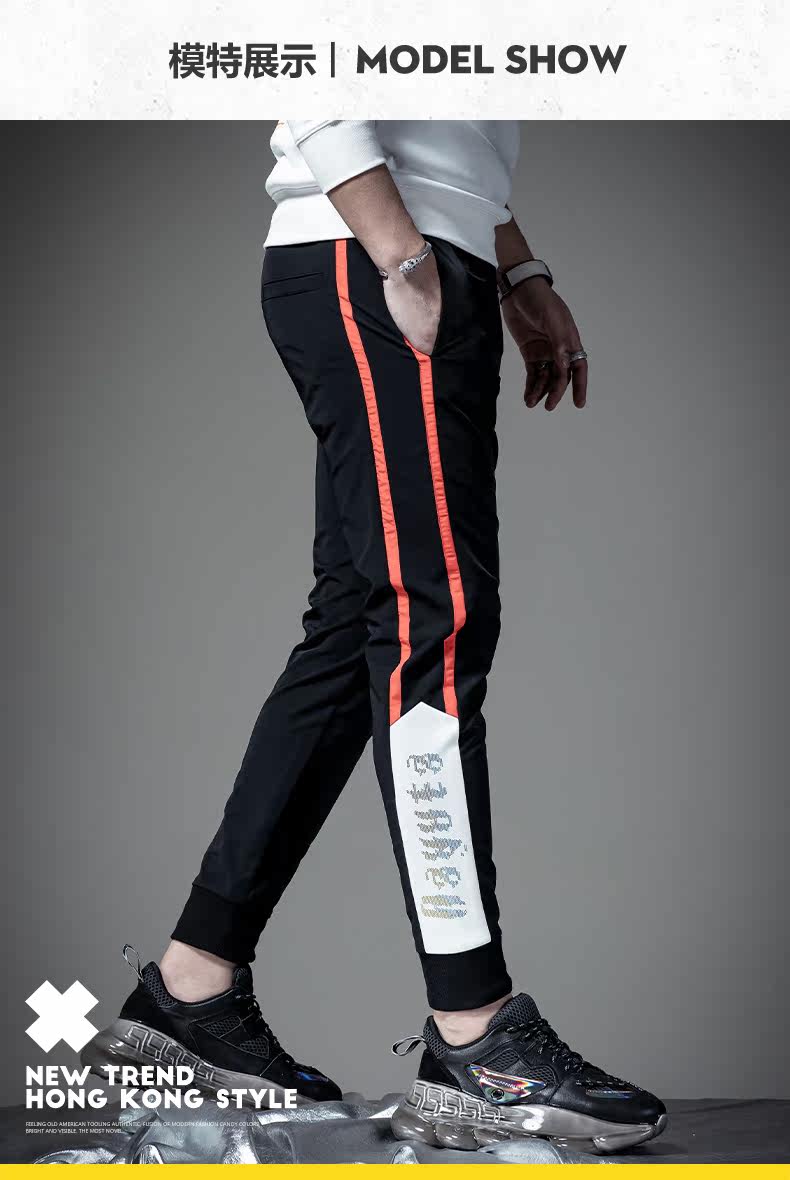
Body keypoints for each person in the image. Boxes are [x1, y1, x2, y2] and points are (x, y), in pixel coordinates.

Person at [83, 120, 666, 1153]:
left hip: (417, 249)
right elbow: (323, 72)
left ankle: (191, 988)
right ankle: (476, 1030)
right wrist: (400, 252)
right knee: (431, 625)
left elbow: (448, 128)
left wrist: (516, 267)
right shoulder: (386, 246)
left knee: (359, 629)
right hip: (377, 251)